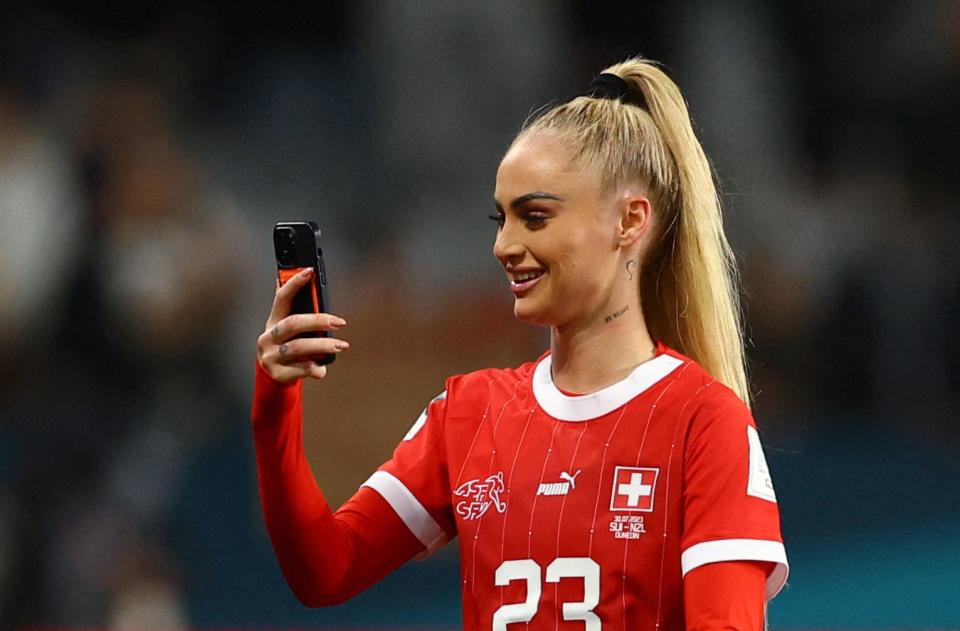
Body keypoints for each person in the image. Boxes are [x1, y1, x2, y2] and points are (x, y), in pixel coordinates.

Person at [252, 57, 788, 631]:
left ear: (630, 221)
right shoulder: (469, 414)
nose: (504, 245)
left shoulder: (703, 421)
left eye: (534, 217)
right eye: (500, 219)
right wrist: (273, 405)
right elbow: (326, 570)